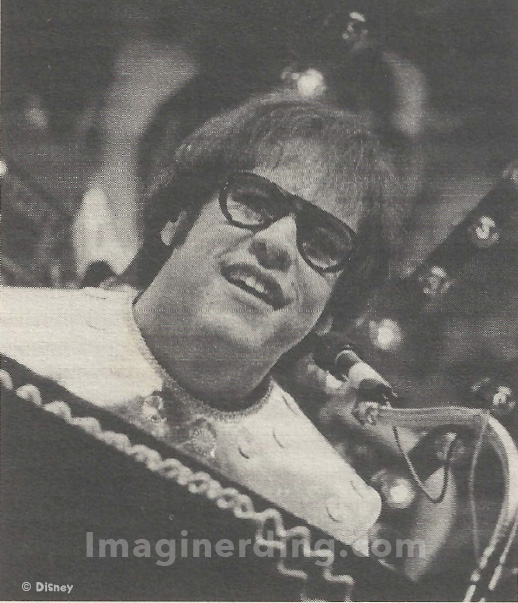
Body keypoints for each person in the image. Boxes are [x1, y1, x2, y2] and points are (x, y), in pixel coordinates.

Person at [1, 94, 400, 557]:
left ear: (330, 312)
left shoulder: (334, 516)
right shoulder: (12, 335)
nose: (278, 243)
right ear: (177, 219)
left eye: (322, 241)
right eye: (254, 201)